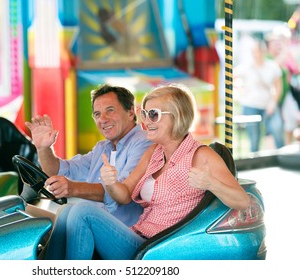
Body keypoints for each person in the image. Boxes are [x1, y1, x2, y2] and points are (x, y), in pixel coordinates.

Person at [45, 83, 250, 260]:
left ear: (178, 116)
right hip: (139, 238)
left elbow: (242, 201)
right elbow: (124, 195)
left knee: (83, 212)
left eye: (154, 114)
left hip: (159, 248)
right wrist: (111, 182)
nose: (146, 122)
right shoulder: (154, 152)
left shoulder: (201, 156)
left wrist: (211, 184)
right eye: (144, 114)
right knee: (66, 212)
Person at [24, 84, 152, 227]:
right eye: (97, 114)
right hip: (93, 226)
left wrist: (73, 188)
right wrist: (43, 148)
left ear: (130, 113)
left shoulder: (144, 142)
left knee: (77, 212)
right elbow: (58, 170)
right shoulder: (102, 148)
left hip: (122, 231)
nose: (103, 119)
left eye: (110, 110)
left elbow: (122, 191)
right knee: (20, 209)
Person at [234, 39, 285, 152]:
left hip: (268, 104)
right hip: (250, 104)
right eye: (255, 51)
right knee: (254, 137)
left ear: (264, 51)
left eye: (259, 51)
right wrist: (239, 92)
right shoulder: (246, 66)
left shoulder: (272, 66)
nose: (257, 54)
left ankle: (281, 155)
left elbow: (278, 87)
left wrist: (273, 103)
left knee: (276, 130)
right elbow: (231, 77)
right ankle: (255, 162)